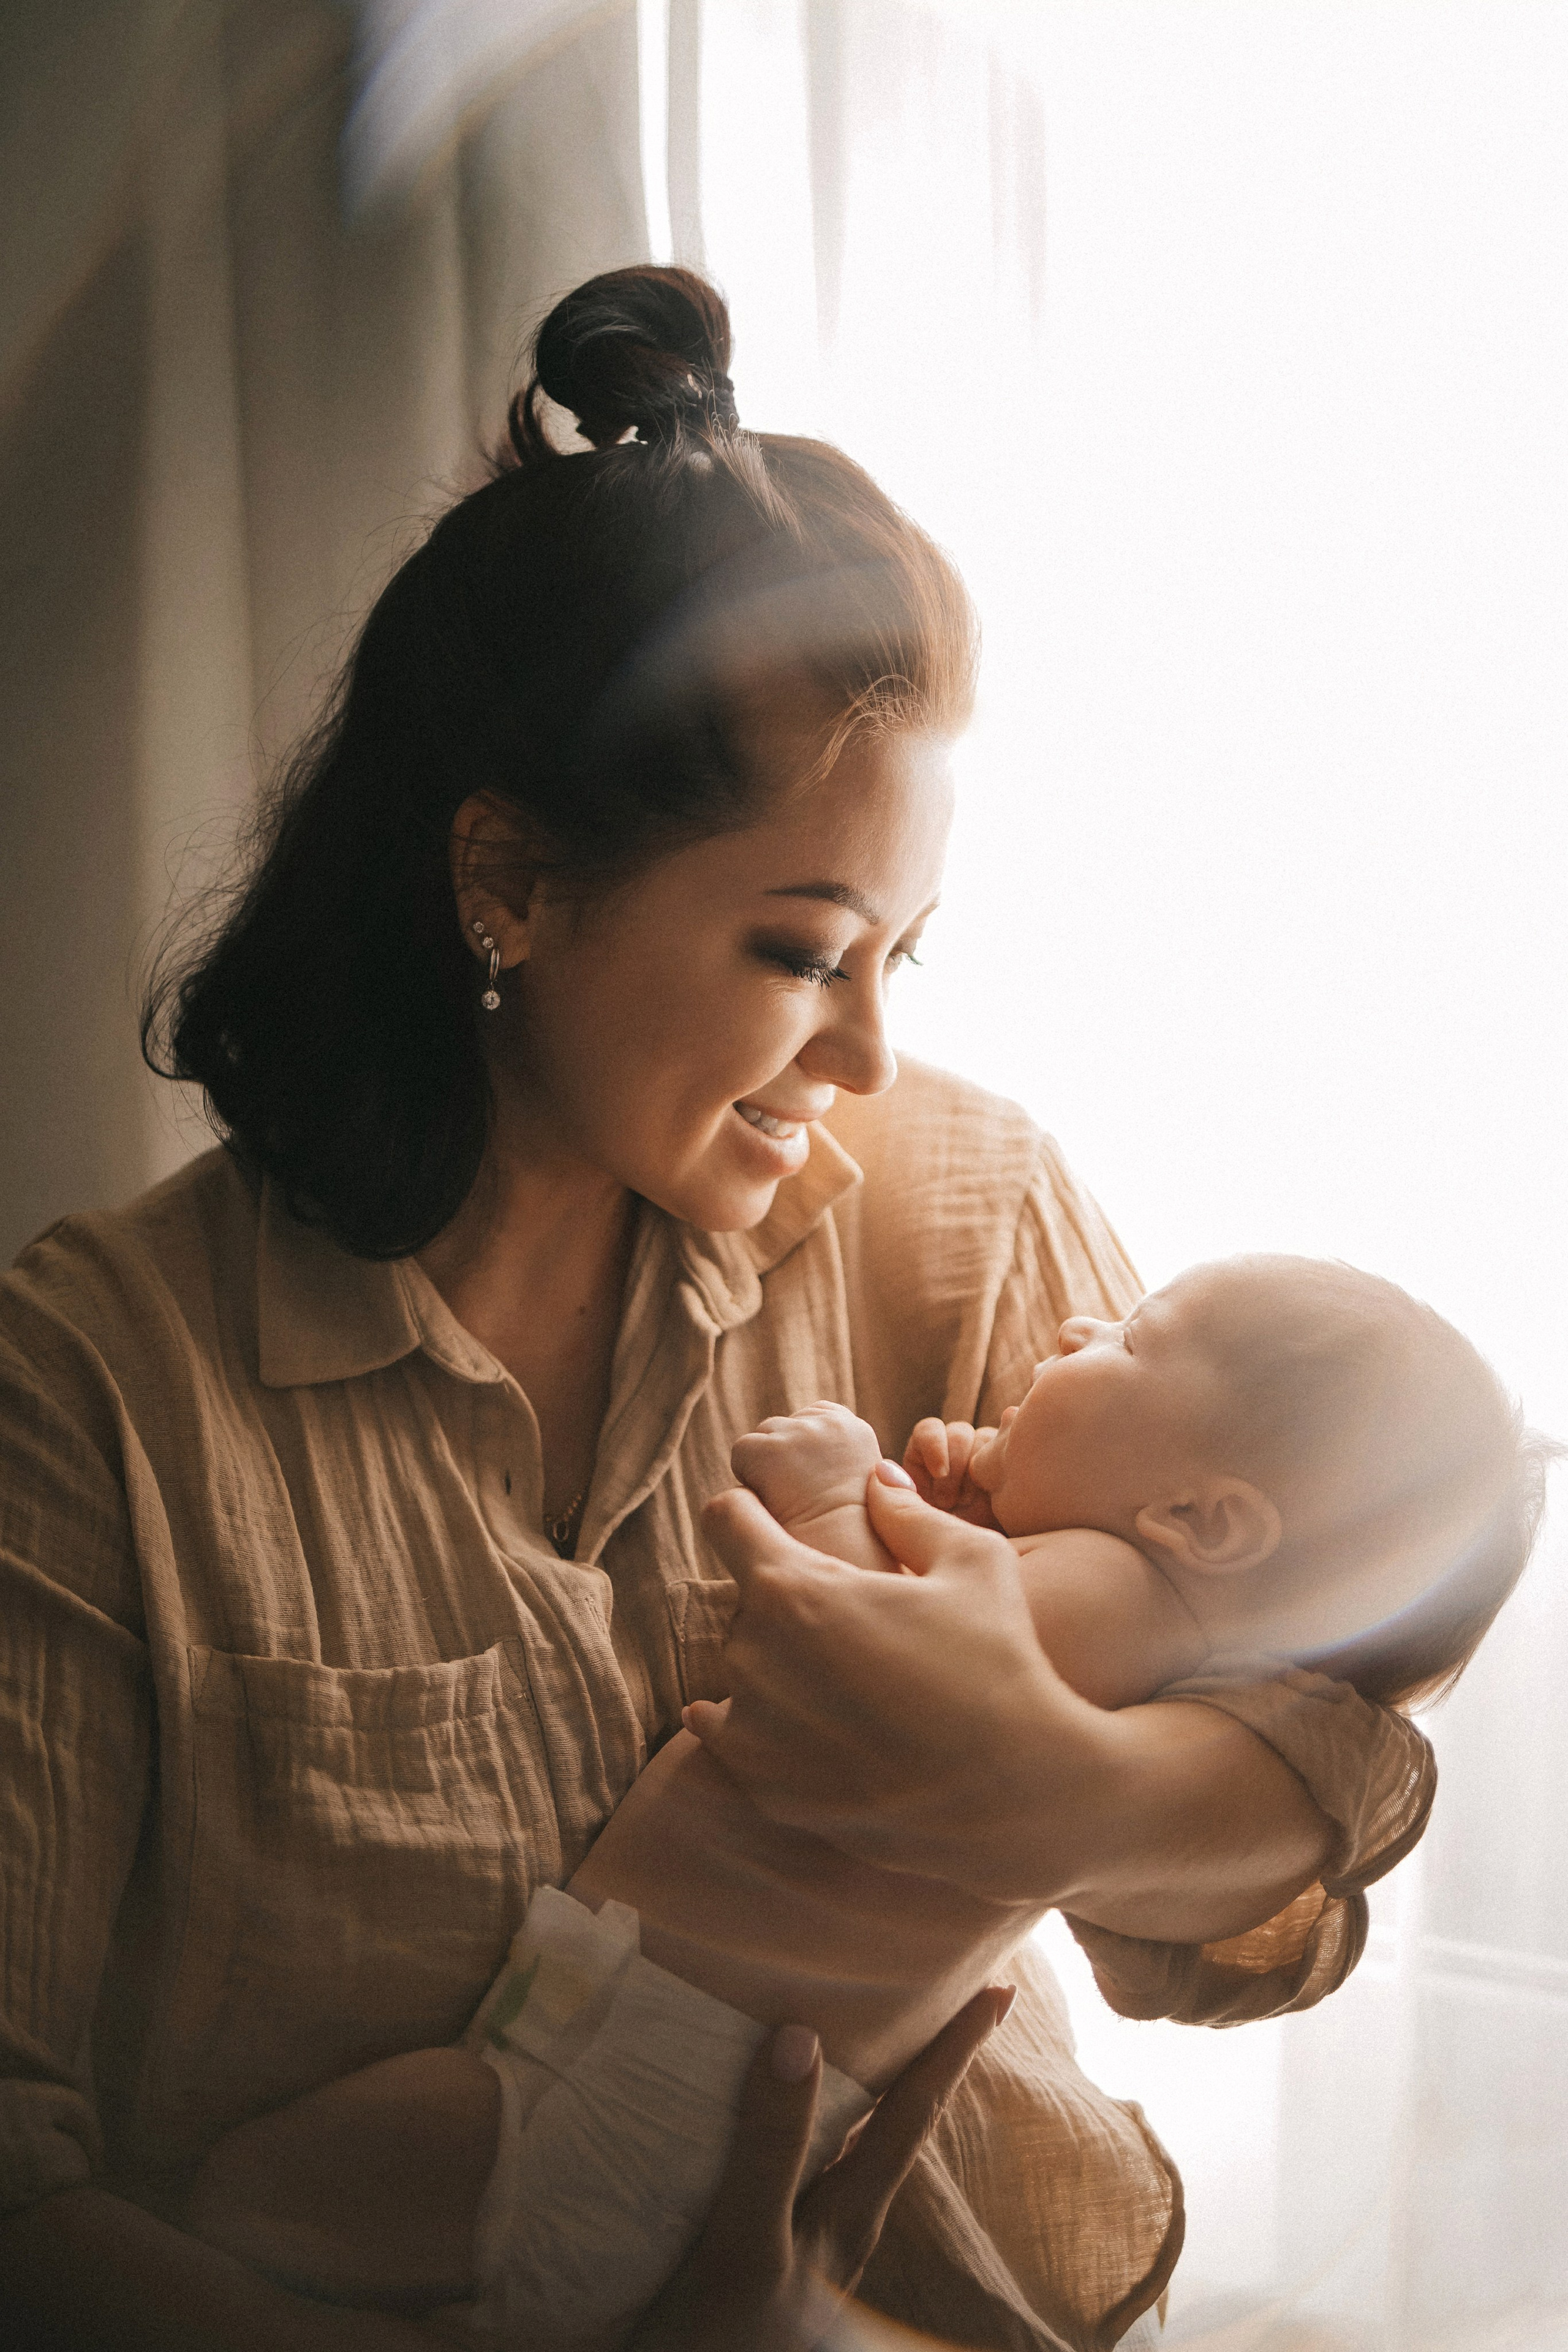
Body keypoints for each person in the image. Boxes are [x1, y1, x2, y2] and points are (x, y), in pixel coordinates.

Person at [0, 265, 1438, 2352]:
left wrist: (1071, 1788)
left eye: (899, 961)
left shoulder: (960, 1209)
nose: (859, 1058)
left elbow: (1279, 1887)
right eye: (797, 953)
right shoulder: (99, 1389)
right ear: (505, 881)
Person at [170, 1256, 1550, 2349]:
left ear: (1202, 1523)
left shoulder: (1109, 1591)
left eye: (1130, 1338)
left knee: (247, 2198)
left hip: (634, 2083)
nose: (1074, 1325)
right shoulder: (1135, 1628)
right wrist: (974, 1516)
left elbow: (864, 1660)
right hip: (670, 2086)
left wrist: (841, 1497)